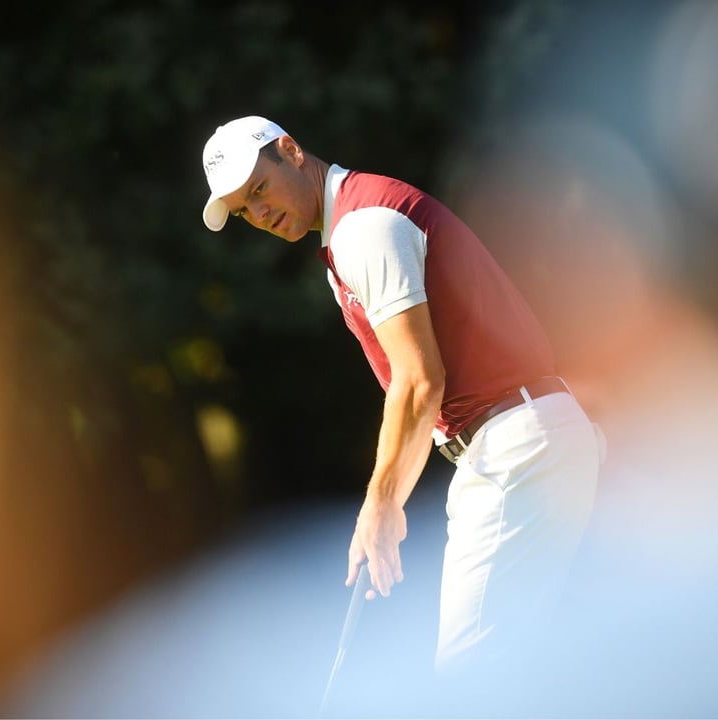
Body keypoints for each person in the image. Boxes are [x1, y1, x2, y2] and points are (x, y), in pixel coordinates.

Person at [199, 115, 602, 692]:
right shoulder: (351, 227)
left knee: (470, 680)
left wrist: (381, 503)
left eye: (259, 189)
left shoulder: (364, 227)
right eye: (244, 210)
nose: (259, 213)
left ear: (290, 150)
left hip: (516, 448)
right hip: (524, 440)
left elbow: (418, 382)